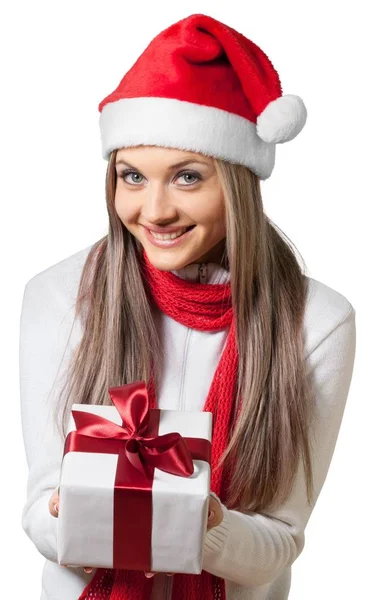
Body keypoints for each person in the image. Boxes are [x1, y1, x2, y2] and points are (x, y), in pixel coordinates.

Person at [19, 12, 356, 600]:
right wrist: (69, 511)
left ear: (239, 181)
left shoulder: (317, 321)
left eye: (187, 177)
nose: (154, 211)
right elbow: (39, 512)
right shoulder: (59, 294)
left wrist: (202, 524)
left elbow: (280, 541)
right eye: (131, 176)